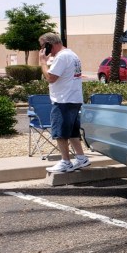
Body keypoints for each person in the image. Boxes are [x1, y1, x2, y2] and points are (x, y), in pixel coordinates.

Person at [38, 32, 90, 173]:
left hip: (63, 100)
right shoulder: (72, 55)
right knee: (72, 131)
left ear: (49, 44)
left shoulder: (62, 57)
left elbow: (51, 78)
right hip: (73, 98)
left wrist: (43, 62)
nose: (42, 49)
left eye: (43, 46)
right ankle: (81, 158)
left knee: (60, 133)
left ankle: (65, 162)